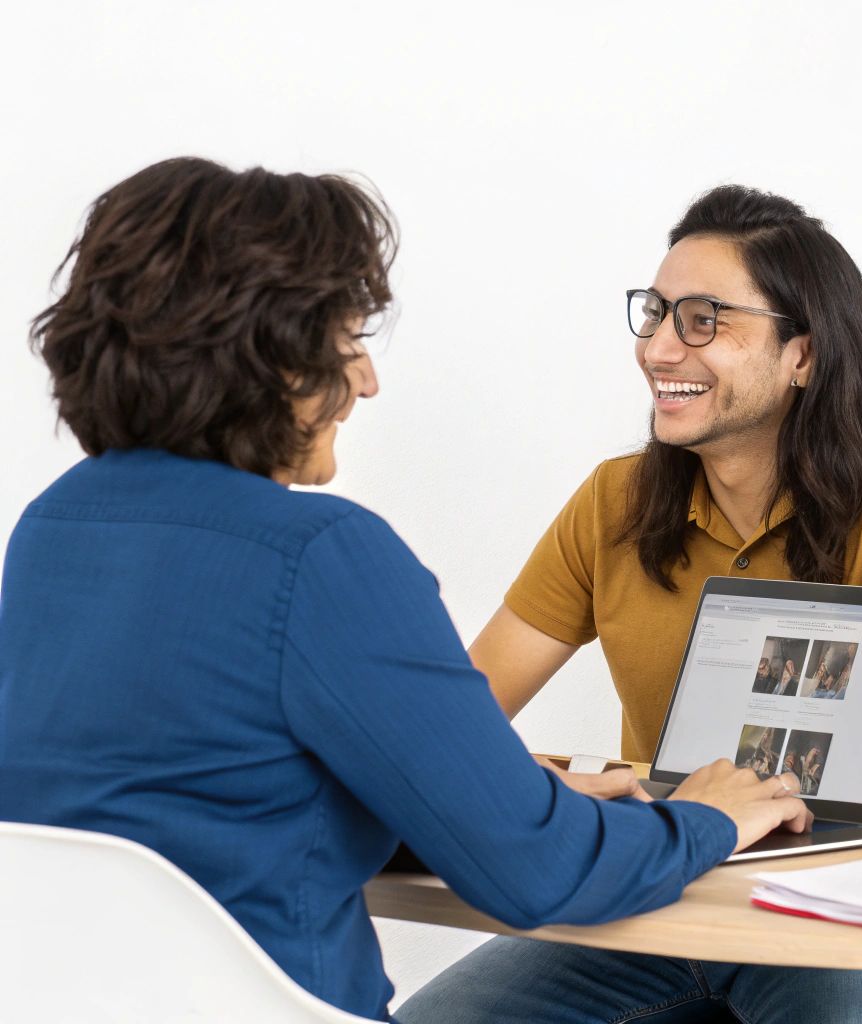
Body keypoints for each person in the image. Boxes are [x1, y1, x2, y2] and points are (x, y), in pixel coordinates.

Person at [0, 159, 814, 1022]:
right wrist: (705, 819)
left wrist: (489, 789)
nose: (366, 378)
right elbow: (538, 873)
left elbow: (207, 800)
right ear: (267, 352)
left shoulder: (52, 530)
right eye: (347, 340)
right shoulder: (320, 556)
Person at [399, 185, 862, 1023]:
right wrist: (540, 784)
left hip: (836, 901)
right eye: (657, 313)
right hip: (658, 888)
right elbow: (450, 727)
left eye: (704, 319)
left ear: (805, 356)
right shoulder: (615, 500)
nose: (658, 349)